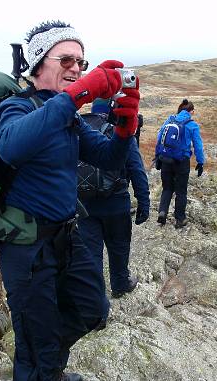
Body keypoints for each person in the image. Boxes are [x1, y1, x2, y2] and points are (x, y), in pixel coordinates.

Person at [0, 21, 140, 381]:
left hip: (65, 236)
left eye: (82, 62)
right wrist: (77, 95)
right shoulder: (16, 108)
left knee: (94, 309)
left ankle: (45, 367)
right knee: (35, 343)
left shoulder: (69, 118)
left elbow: (107, 158)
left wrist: (126, 127)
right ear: (39, 63)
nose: (77, 68)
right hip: (25, 244)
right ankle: (44, 370)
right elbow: (11, 146)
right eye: (67, 59)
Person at [77, 99, 150, 302]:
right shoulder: (118, 131)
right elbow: (136, 169)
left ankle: (96, 304)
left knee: (91, 255)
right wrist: (144, 202)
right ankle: (119, 284)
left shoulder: (78, 129)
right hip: (116, 203)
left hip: (83, 205)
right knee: (119, 246)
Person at [155, 99, 204, 229]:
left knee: (167, 188)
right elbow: (198, 145)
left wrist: (157, 157)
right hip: (181, 161)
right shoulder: (192, 125)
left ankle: (162, 213)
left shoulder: (170, 120)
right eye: (193, 111)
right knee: (181, 191)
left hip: (165, 159)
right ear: (190, 111)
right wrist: (200, 162)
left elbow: (159, 137)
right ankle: (180, 219)